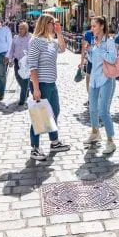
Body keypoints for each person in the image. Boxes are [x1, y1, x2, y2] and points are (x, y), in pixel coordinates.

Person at [27, 14, 71, 162]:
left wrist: (59, 33)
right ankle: (35, 148)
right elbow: (32, 66)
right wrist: (36, 88)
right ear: (46, 24)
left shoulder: (50, 41)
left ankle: (54, 142)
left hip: (52, 83)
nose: (55, 25)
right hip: (41, 84)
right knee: (39, 115)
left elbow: (63, 49)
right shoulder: (36, 42)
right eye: (53, 23)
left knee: (55, 112)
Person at [84, 16, 119, 155]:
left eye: (94, 26)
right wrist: (89, 51)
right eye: (91, 26)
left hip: (106, 79)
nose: (92, 29)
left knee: (103, 110)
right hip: (94, 78)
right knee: (92, 109)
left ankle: (111, 141)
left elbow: (112, 58)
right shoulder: (94, 40)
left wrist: (98, 48)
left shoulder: (109, 41)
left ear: (102, 26)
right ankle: (95, 133)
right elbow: (93, 60)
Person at [8, 21, 32, 107]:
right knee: (18, 77)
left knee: (25, 80)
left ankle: (22, 100)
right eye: (19, 28)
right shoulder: (15, 37)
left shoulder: (31, 37)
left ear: (26, 29)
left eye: (22, 28)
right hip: (17, 61)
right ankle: (26, 89)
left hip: (27, 62)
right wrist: (10, 60)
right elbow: (11, 49)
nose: (20, 30)